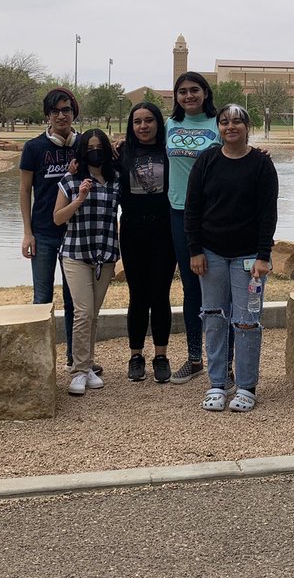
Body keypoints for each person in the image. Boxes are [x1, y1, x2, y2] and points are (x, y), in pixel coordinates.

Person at [184, 104, 278, 413]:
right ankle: (217, 383)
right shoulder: (207, 161)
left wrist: (264, 256)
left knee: (247, 321)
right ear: (218, 128)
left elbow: (268, 214)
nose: (230, 127)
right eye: (224, 122)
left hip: (249, 257)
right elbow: (193, 208)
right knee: (213, 316)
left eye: (237, 121)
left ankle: (247, 386)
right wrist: (195, 249)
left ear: (248, 127)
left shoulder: (262, 165)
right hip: (211, 253)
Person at [19, 87, 84, 370]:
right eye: (55, 111)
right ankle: (39, 361)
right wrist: (27, 232)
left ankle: (74, 359)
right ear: (47, 115)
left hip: (75, 235)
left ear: (73, 113)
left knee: (74, 300)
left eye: (66, 110)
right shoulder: (34, 148)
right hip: (44, 233)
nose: (61, 116)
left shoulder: (82, 145)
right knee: (42, 298)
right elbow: (24, 192)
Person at [53, 129, 121, 396]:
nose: (95, 151)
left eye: (99, 146)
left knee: (93, 313)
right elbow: (57, 218)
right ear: (82, 150)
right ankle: (79, 371)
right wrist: (79, 199)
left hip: (104, 255)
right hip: (75, 254)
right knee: (82, 312)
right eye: (89, 147)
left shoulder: (115, 182)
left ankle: (88, 364)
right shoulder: (70, 180)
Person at [165, 71, 222, 384]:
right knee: (190, 287)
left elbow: (236, 153)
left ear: (205, 92)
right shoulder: (170, 125)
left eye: (194, 90)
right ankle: (194, 357)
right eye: (182, 91)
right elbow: (145, 149)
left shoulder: (217, 124)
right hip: (178, 212)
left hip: (213, 215)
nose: (188, 96)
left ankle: (222, 360)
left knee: (217, 286)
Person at [118, 102, 177, 383]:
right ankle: (136, 355)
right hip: (132, 232)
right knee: (138, 295)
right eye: (137, 121)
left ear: (158, 123)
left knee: (160, 295)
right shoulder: (121, 153)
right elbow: (90, 161)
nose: (143, 126)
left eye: (149, 120)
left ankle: (161, 355)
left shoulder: (169, 152)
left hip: (163, 232)